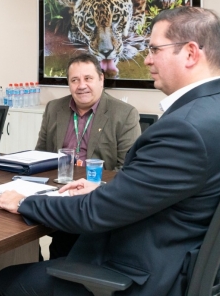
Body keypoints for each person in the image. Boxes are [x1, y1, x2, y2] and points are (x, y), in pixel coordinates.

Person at [0, 7, 220, 296]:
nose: (147, 58)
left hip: (143, 282)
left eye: (154, 49)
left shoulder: (185, 128)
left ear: (191, 53)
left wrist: (26, 202)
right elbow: (170, 187)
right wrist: (104, 187)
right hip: (182, 259)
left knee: (7, 283)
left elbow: (94, 213)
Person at [35, 53, 141, 259]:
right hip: (58, 193)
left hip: (95, 198)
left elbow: (128, 170)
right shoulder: (54, 108)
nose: (81, 85)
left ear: (101, 79)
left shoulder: (124, 114)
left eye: (88, 78)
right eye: (74, 80)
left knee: (68, 247)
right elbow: (40, 155)